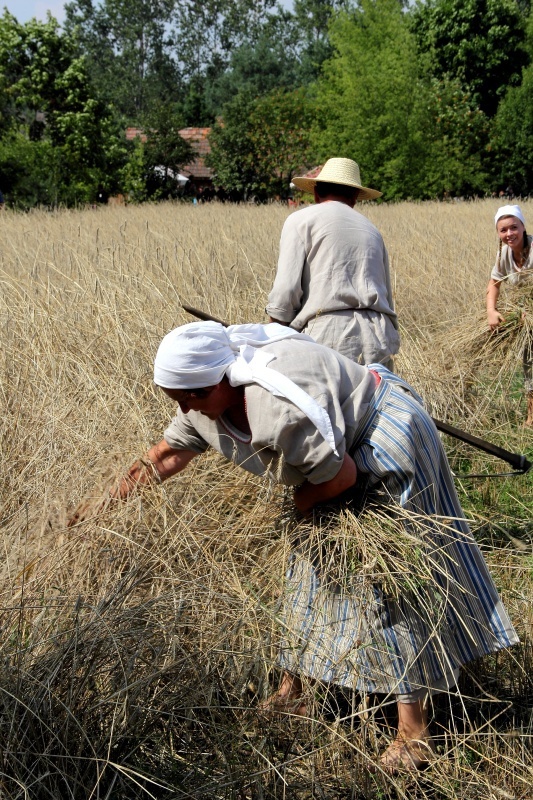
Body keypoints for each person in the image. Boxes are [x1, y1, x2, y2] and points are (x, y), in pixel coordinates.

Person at [70, 321, 518, 774]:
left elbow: (339, 477)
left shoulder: (275, 407)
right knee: (305, 575)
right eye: (177, 398)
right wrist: (100, 506)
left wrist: (299, 506)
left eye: (194, 395)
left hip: (383, 441)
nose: (187, 407)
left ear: (225, 377)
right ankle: (296, 694)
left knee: (395, 586)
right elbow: (164, 456)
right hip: (333, 463)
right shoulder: (200, 404)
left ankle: (413, 734)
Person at [265, 157, 400, 369]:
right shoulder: (372, 231)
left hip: (329, 335)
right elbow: (387, 297)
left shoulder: (301, 220)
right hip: (379, 336)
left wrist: (271, 340)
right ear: (355, 196)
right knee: (373, 402)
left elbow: (285, 292)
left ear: (316, 192)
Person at [486, 204, 533, 426]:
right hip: (527, 318)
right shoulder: (504, 254)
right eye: (503, 230)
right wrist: (491, 311)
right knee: (530, 364)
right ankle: (531, 417)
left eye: (513, 227)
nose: (509, 234)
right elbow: (494, 282)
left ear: (523, 226)